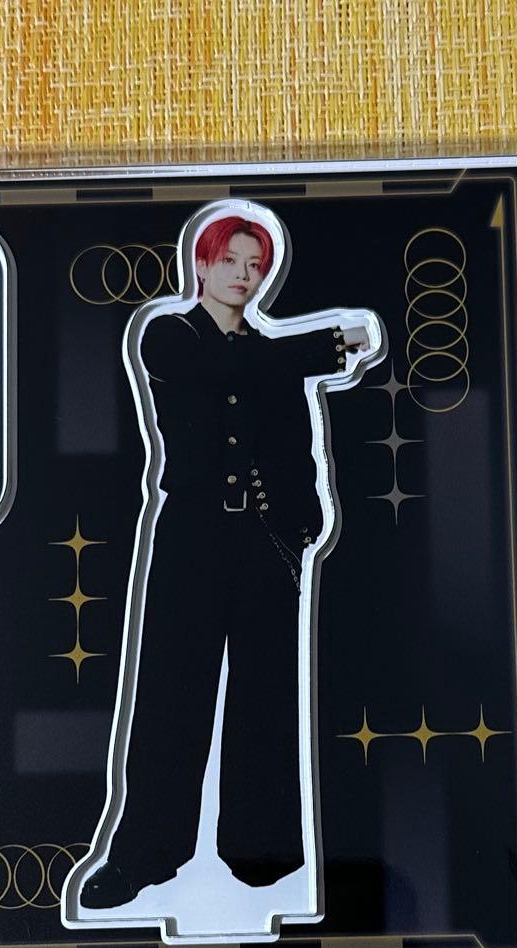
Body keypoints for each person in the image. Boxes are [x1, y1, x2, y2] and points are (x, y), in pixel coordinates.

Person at [78, 212, 377, 910]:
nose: (245, 275)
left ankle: (262, 850)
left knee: (266, 696)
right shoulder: (168, 335)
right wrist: (331, 344)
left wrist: (302, 525)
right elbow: (226, 367)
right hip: (192, 536)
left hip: (265, 542)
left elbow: (295, 444)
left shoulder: (273, 353)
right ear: (202, 264)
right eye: (231, 261)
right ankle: (146, 852)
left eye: (255, 264)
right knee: (170, 695)